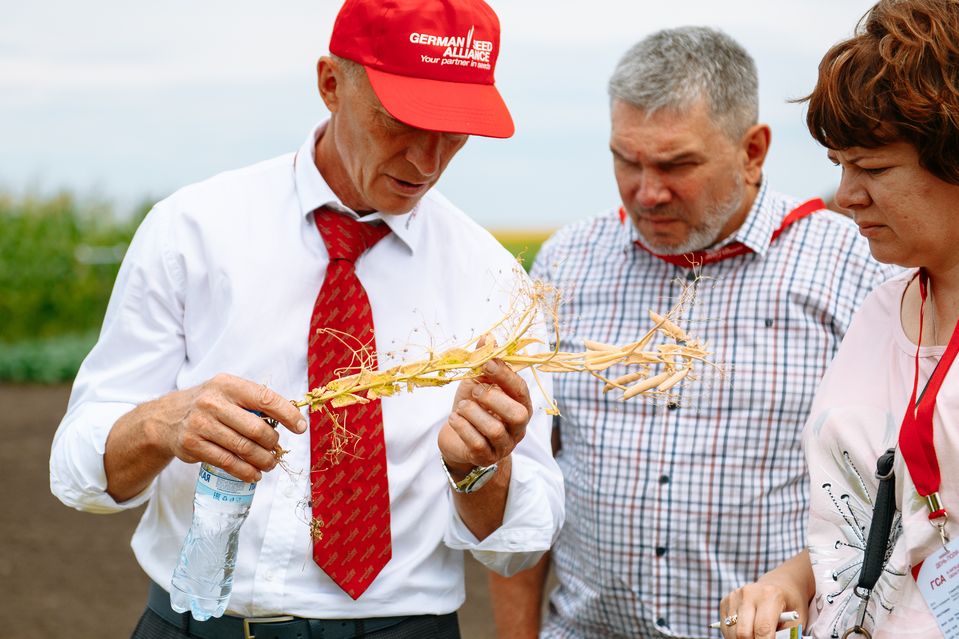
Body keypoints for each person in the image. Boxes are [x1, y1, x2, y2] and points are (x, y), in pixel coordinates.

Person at [49, 1, 565, 638]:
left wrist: (479, 470)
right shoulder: (194, 230)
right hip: (193, 624)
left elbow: (520, 542)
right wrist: (162, 424)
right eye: (402, 121)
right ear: (330, 83)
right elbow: (76, 469)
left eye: (455, 132)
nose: (427, 162)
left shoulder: (495, 282)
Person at [488, 27, 895, 639]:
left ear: (753, 150)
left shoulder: (853, 267)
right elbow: (525, 477)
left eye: (676, 165)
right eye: (626, 160)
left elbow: (891, 497)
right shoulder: (566, 263)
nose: (647, 192)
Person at [720, 1, 959, 637]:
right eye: (841, 166)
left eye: (874, 168)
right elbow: (895, 531)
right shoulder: (882, 310)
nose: (847, 196)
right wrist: (790, 583)